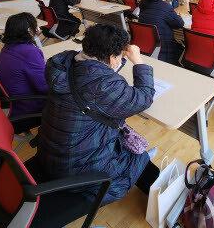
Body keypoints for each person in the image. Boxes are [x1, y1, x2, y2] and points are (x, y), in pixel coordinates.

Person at [38, 23, 159, 205]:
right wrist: (138, 61)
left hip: (51, 151)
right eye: (119, 57)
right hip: (76, 168)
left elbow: (99, 72)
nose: (120, 61)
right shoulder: (102, 86)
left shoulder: (62, 62)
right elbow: (144, 98)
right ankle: (143, 165)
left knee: (123, 137)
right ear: (111, 58)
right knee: (135, 158)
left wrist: (118, 56)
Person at [0, 13, 47, 117]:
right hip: (26, 105)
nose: (37, 30)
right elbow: (44, 87)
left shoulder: (8, 46)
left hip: (11, 100)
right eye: (35, 27)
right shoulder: (30, 52)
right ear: (28, 30)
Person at [138, 0, 184, 65]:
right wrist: (177, 16)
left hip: (145, 42)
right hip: (163, 45)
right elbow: (179, 24)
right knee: (181, 48)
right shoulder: (166, 7)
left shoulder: (143, 5)